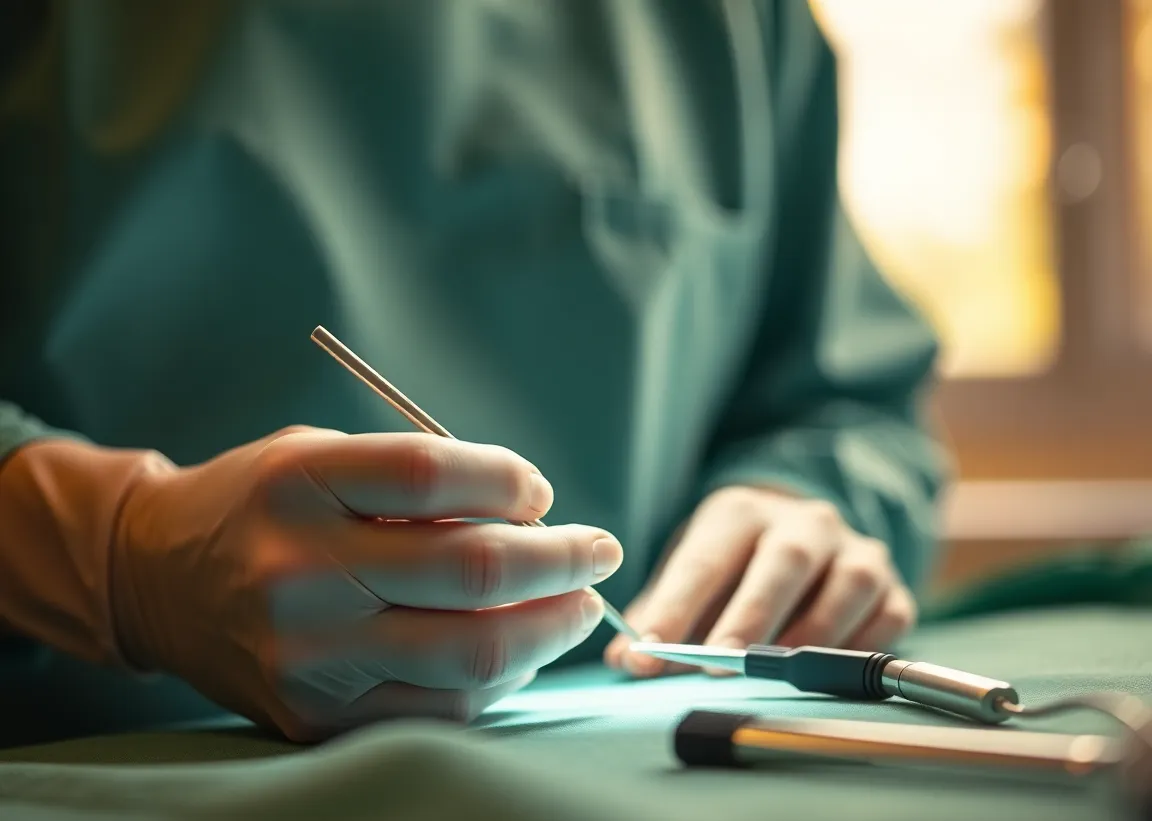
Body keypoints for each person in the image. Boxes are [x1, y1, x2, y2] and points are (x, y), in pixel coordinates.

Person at [0, 0, 946, 742]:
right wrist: (115, 555)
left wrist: (799, 506)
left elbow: (844, 399)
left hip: (629, 774)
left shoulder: (733, 20)